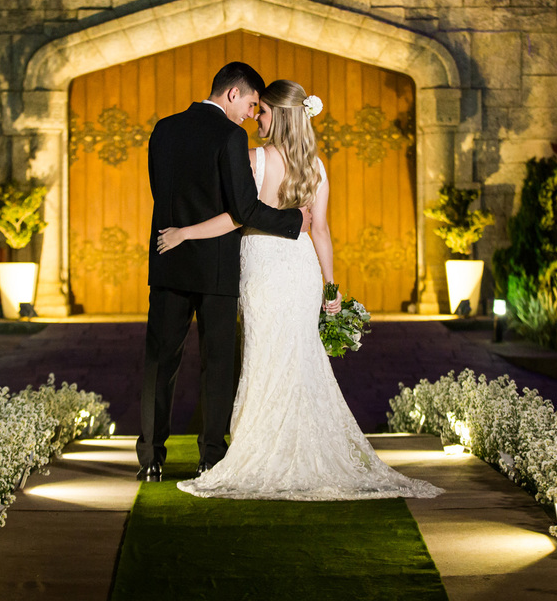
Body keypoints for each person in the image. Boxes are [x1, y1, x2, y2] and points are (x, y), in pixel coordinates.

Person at [158, 80, 442, 501]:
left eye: (265, 112)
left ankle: (266, 448)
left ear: (282, 115)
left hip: (263, 268)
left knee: (265, 355)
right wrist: (330, 286)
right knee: (299, 358)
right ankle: (303, 448)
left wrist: (185, 233)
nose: (258, 118)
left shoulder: (257, 159)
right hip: (302, 267)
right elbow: (322, 230)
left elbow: (236, 218)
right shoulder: (317, 166)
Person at [137, 62, 312, 482]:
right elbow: (244, 208)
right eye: (251, 103)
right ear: (232, 94)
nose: (252, 114)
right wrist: (293, 222)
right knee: (216, 364)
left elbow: (159, 190)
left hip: (167, 257)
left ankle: (151, 460)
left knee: (160, 362)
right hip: (216, 267)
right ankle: (210, 456)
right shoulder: (230, 136)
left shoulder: (163, 128)